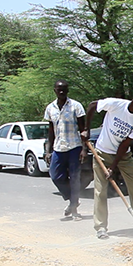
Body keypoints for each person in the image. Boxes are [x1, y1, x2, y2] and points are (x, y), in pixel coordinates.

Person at [82, 88, 133, 239]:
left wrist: (113, 167)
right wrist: (86, 129)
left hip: (123, 156)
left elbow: (124, 145)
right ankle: (101, 227)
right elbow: (92, 105)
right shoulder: (116, 105)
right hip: (101, 152)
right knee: (100, 190)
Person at [43, 80, 87, 220]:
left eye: (64, 89)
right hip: (58, 148)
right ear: (54, 90)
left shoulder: (76, 106)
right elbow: (51, 132)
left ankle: (74, 210)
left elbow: (83, 130)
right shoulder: (50, 108)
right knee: (55, 176)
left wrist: (84, 149)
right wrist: (48, 151)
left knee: (74, 178)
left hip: (74, 147)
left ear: (67, 90)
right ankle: (73, 200)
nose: (61, 92)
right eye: (59, 89)